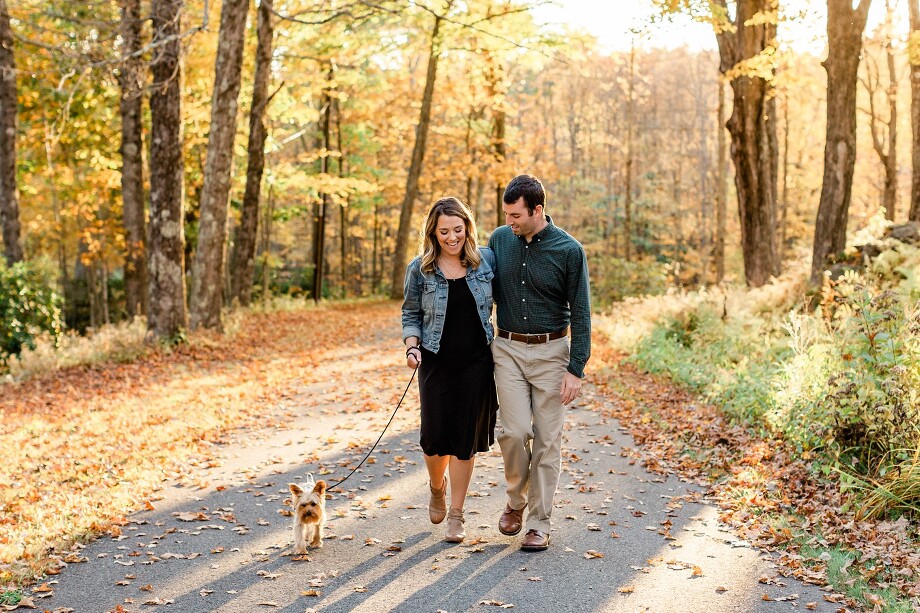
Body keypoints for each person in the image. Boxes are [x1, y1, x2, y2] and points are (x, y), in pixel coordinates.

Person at [488, 174, 591, 552]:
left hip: (551, 353)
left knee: (548, 440)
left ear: (538, 210)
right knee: (513, 432)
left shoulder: (569, 251)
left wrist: (575, 368)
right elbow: (480, 289)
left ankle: (538, 523)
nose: (509, 221)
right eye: (506, 214)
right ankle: (515, 501)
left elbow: (582, 312)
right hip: (509, 350)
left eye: (516, 215)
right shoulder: (499, 241)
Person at [401, 196, 498, 543]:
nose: (452, 237)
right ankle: (436, 486)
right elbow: (410, 313)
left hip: (476, 362)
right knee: (433, 438)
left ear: (468, 228)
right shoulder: (421, 268)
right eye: (444, 231)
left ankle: (457, 513)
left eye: (458, 229)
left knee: (463, 440)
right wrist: (412, 346)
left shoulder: (485, 261)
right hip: (435, 361)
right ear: (434, 232)